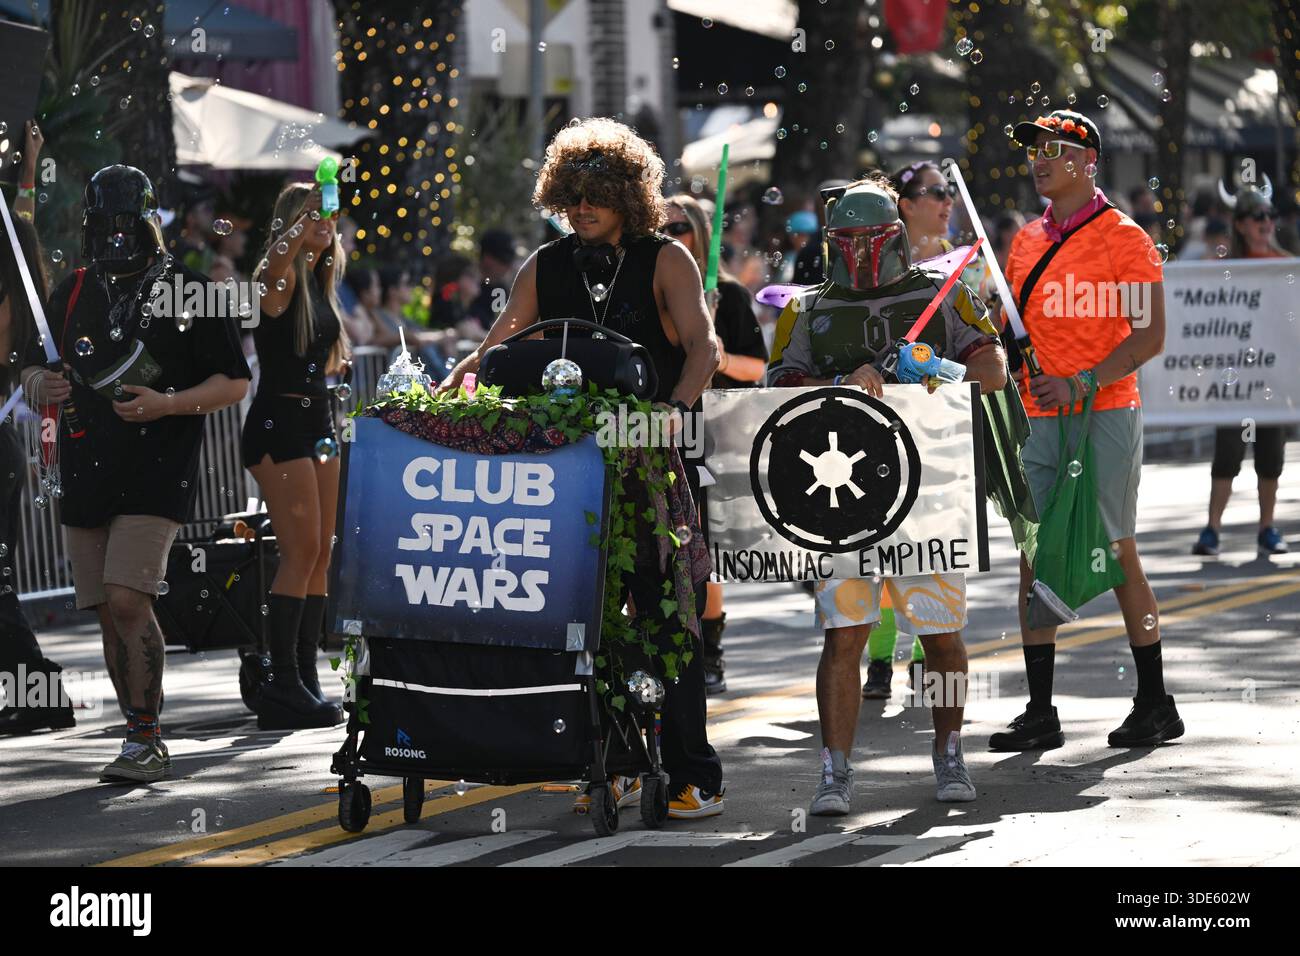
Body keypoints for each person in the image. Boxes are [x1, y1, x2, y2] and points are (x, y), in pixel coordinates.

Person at [440, 117, 725, 819]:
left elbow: (704, 348)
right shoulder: (545, 264)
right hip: (565, 478)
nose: (581, 208)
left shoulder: (667, 259)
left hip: (648, 465)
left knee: (668, 617)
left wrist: (673, 408)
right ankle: (617, 762)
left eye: (595, 194)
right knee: (586, 619)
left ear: (629, 195)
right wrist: (455, 380)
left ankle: (695, 773)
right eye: (571, 196)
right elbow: (497, 346)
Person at [767, 174, 1008, 810]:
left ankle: (949, 754)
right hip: (840, 496)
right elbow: (777, 391)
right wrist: (840, 379)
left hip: (931, 490)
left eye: (870, 241)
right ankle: (834, 769)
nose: (860, 254)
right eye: (847, 242)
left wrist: (929, 367)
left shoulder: (945, 296)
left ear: (896, 239)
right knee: (844, 634)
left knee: (941, 634)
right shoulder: (807, 309)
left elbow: (994, 371)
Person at [21, 165, 250, 780]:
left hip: (157, 467)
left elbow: (234, 381)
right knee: (104, 607)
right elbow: (29, 366)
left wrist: (168, 404)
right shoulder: (70, 290)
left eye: (128, 224)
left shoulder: (193, 288)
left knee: (128, 599)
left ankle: (148, 738)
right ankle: (133, 733)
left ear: (150, 221)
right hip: (84, 464)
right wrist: (37, 382)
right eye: (106, 226)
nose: (117, 238)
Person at [991, 110, 1182, 753]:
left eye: (1053, 148)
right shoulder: (1022, 242)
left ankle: (1155, 701)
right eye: (1033, 149)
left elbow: (1149, 336)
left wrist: (1083, 381)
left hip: (1104, 412)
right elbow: (1015, 329)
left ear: (1087, 159)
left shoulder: (1125, 239)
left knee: (1117, 548)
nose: (1039, 158)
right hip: (1036, 416)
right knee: (1034, 555)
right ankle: (1041, 710)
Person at [242, 183, 351, 731]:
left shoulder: (319, 281)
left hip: (316, 424)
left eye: (330, 215)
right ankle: (282, 682)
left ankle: (304, 677)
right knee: (301, 548)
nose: (325, 223)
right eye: (313, 216)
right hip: (277, 425)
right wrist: (299, 223)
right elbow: (274, 263)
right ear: (290, 222)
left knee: (321, 551)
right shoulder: (279, 278)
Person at [662, 193, 767, 695]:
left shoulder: (729, 295)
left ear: (702, 234)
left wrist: (716, 357)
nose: (671, 236)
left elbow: (759, 368)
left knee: (705, 539)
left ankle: (711, 652)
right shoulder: (648, 292)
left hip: (714, 427)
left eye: (680, 228)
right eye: (661, 228)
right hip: (660, 428)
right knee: (659, 538)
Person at [0, 193, 76, 735]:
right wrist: (26, 167)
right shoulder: (28, 296)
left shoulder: (6, 299)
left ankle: (42, 692)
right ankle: (36, 692)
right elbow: (20, 214)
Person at [1193, 186, 1293, 557]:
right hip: (1234, 375)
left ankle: (1267, 527)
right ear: (1241, 224)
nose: (1266, 223)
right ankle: (1212, 529)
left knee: (1271, 456)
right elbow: (1200, 309)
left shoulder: (1287, 265)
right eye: (1257, 217)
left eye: (1269, 216)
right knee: (1227, 454)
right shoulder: (1223, 268)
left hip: (1273, 374)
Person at [890, 161, 957, 262]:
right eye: (939, 192)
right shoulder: (883, 266)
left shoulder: (965, 266)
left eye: (951, 191)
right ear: (908, 206)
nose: (950, 201)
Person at [466, 229, 518, 329]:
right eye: (504, 261)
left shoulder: (501, 290)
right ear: (487, 258)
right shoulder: (467, 287)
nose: (508, 267)